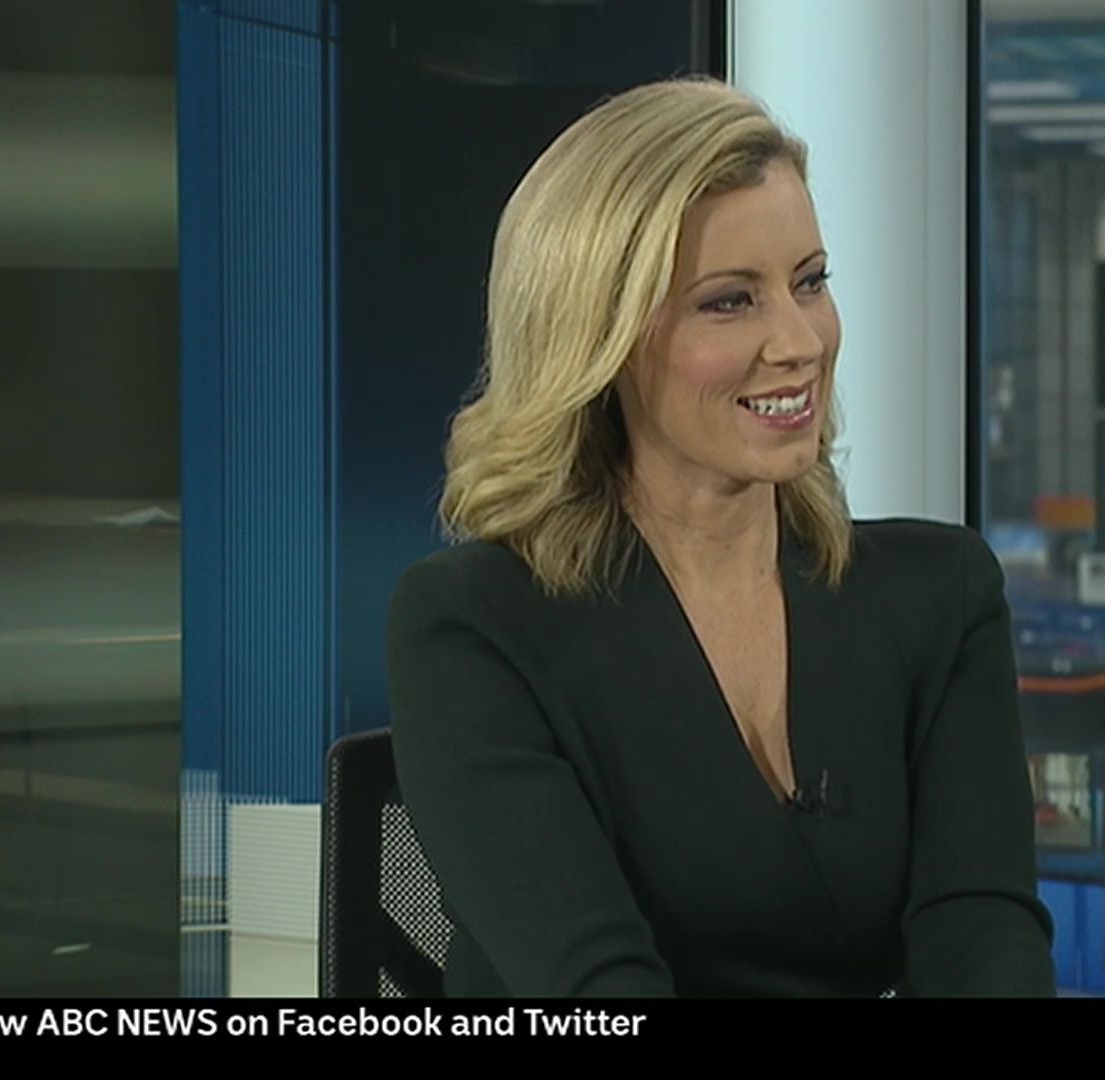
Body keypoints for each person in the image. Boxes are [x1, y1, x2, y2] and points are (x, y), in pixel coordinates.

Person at [386, 77, 1056, 998]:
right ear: (602, 335)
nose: (801, 341)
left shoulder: (940, 596)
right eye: (731, 301)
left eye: (810, 282)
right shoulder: (475, 625)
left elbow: (982, 938)